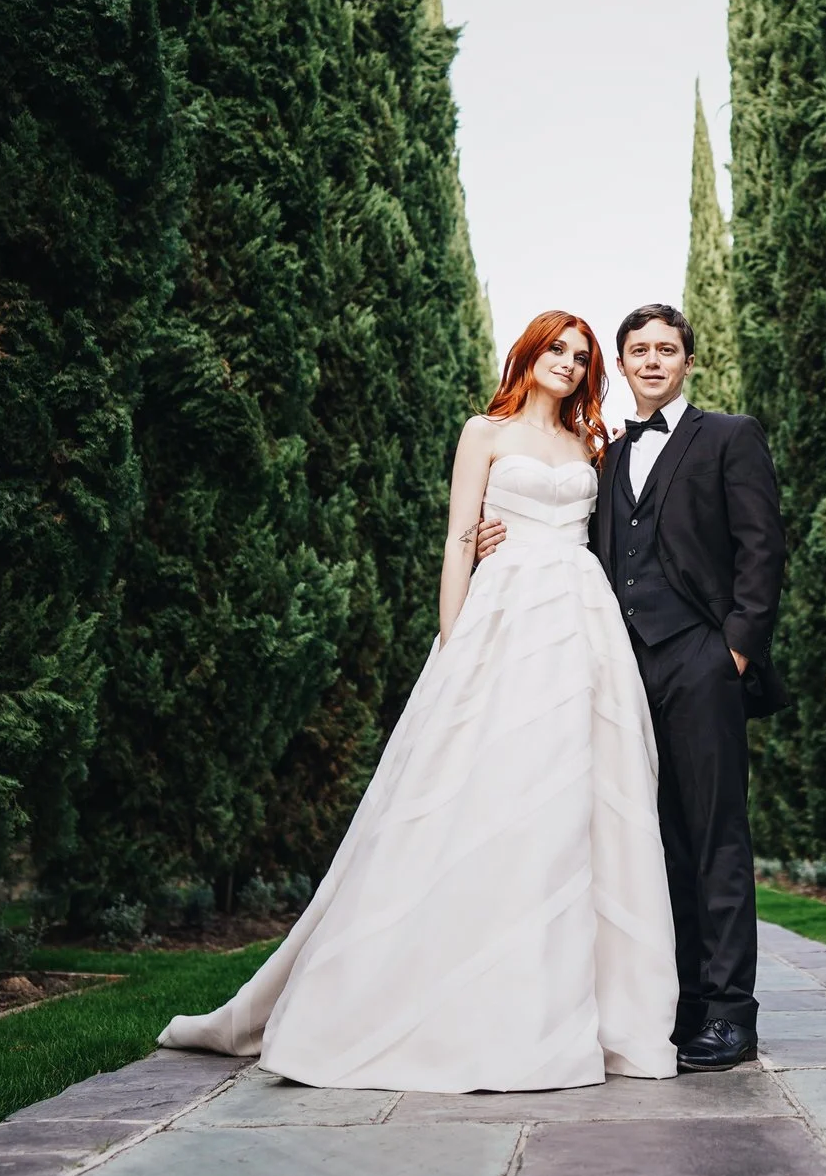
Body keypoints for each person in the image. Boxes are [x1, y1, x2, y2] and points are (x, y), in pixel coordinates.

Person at [156, 313, 677, 1091]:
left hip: (580, 626)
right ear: (529, 355)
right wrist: (454, 640)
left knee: (574, 805)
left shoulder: (588, 446)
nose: (570, 363)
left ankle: (573, 1006)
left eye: (581, 354)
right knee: (480, 792)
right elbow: (459, 538)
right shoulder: (484, 431)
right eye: (557, 350)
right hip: (502, 622)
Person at [476, 302, 786, 1071]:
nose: (652, 360)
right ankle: (675, 1007)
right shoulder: (603, 453)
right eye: (638, 349)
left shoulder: (728, 435)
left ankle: (729, 1014)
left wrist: (734, 653)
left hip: (701, 660)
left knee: (715, 835)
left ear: (686, 359)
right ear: (621, 363)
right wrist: (490, 532)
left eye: (666, 348)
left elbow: (762, 550)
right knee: (647, 840)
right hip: (615, 663)